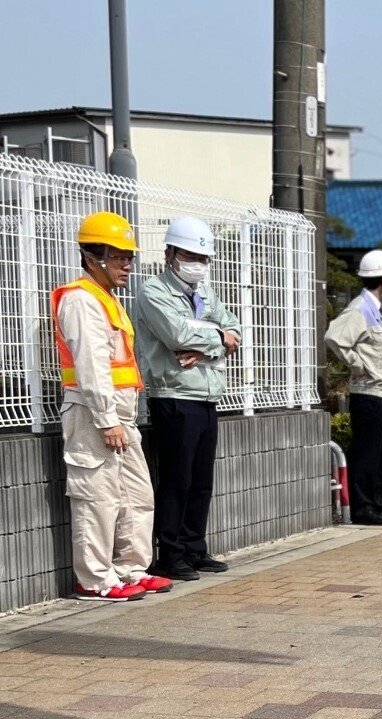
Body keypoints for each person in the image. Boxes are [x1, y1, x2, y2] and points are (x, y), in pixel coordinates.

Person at [52, 211, 172, 601]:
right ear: (92, 257)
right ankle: (94, 580)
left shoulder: (106, 301)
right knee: (97, 497)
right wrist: (106, 419)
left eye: (129, 256)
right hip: (93, 414)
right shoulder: (81, 301)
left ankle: (130, 569)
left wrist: (118, 417)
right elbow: (91, 366)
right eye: (119, 256)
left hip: (119, 415)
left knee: (136, 495)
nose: (127, 264)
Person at [133, 215, 241, 581]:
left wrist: (208, 345)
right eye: (190, 254)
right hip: (174, 394)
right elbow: (178, 334)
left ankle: (195, 548)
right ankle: (170, 553)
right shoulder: (153, 291)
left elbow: (235, 329)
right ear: (170, 253)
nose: (198, 262)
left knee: (201, 479)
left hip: (207, 394)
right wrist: (217, 337)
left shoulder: (206, 293)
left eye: (203, 257)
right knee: (177, 478)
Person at [325, 249, 382, 526]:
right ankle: (364, 508)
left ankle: (377, 505)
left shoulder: (375, 310)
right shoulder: (360, 308)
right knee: (367, 453)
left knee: (379, 452)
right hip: (368, 393)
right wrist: (357, 363)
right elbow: (334, 337)